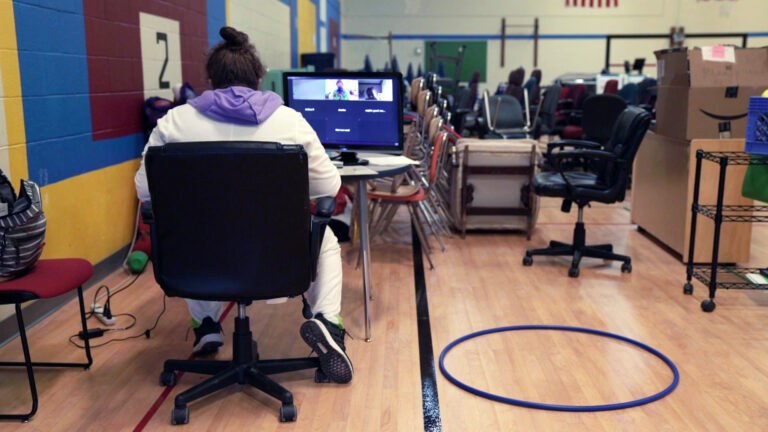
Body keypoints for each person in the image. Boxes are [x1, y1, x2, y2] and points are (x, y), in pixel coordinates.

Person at [134, 26, 353, 384]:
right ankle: (327, 321)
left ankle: (206, 324)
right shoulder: (289, 122)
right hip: (277, 260)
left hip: (197, 262)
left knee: (185, 233)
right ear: (260, 78)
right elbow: (329, 186)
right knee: (324, 237)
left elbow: (145, 191)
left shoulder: (174, 122)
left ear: (210, 79)